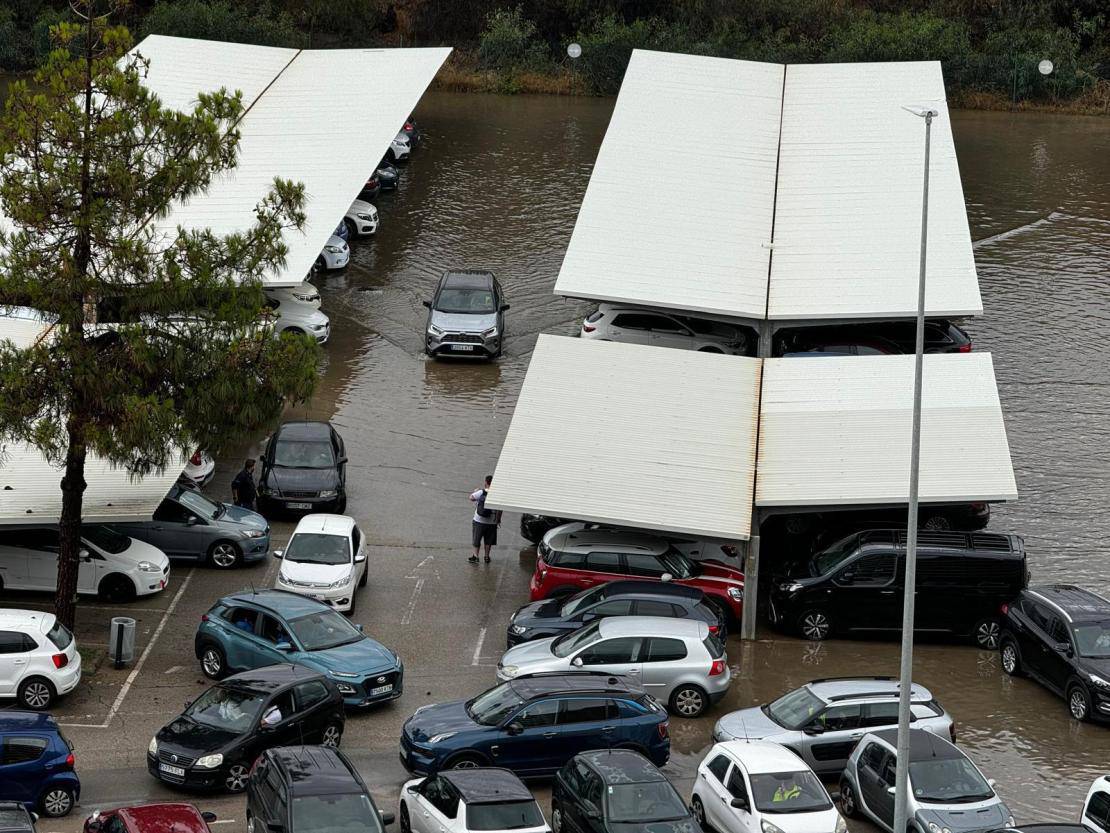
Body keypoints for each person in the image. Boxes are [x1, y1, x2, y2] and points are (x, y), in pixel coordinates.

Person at [469, 475, 501, 564]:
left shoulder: (481, 492)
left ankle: (475, 556)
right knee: (488, 540)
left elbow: (471, 497)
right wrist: (498, 520)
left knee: (477, 539)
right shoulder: (497, 494)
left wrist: (475, 492)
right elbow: (500, 509)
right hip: (492, 522)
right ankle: (486, 557)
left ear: (486, 482)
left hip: (479, 520)